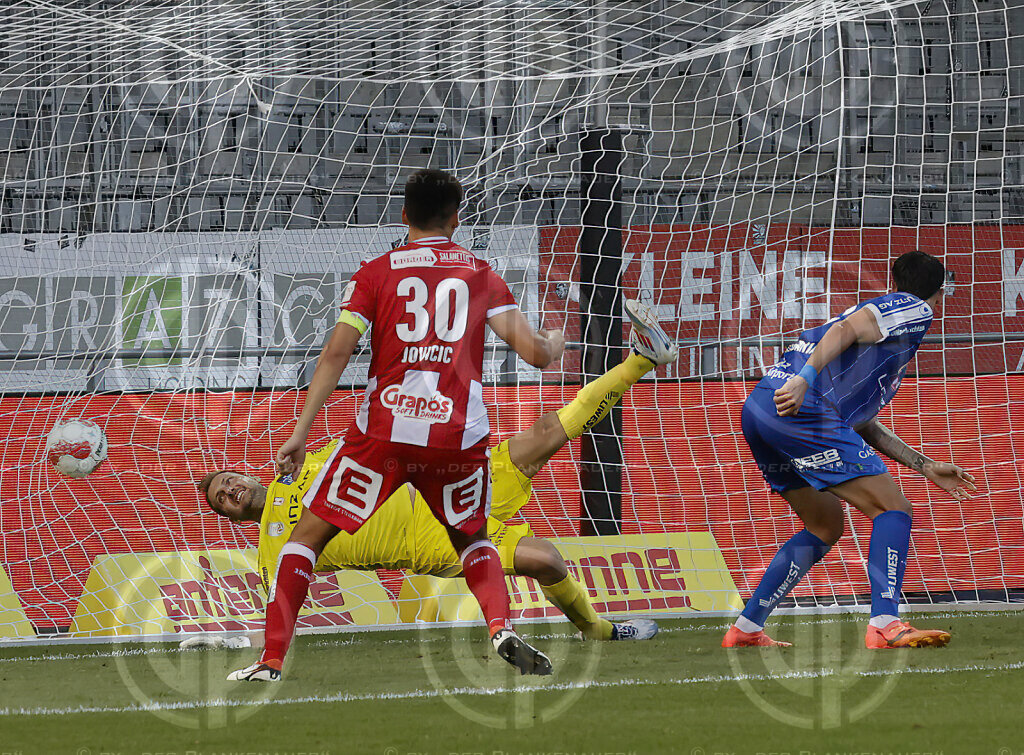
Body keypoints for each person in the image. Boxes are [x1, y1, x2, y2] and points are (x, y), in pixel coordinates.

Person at [228, 168, 565, 681]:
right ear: (456, 217)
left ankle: (271, 660)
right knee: (473, 540)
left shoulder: (376, 272)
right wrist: (555, 342)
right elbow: (536, 354)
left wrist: (300, 432)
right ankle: (499, 626)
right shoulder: (481, 275)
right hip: (456, 435)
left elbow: (336, 354)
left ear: (404, 215)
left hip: (383, 435)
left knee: (305, 541)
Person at [202, 315, 677, 645]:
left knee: (547, 432)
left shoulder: (307, 459)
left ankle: (642, 358)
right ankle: (598, 630)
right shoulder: (272, 548)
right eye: (223, 499)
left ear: (243, 472)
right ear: (230, 515)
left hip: (447, 481)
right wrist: (223, 642)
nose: (230, 490)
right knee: (546, 560)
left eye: (227, 479)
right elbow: (278, 607)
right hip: (430, 539)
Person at [723, 250, 977, 650]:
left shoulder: (883, 357)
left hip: (762, 409)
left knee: (825, 526)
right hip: (800, 406)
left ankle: (746, 628)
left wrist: (924, 464)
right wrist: (805, 379)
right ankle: (885, 623)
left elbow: (862, 426)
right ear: (940, 292)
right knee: (893, 509)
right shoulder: (914, 309)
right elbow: (848, 328)